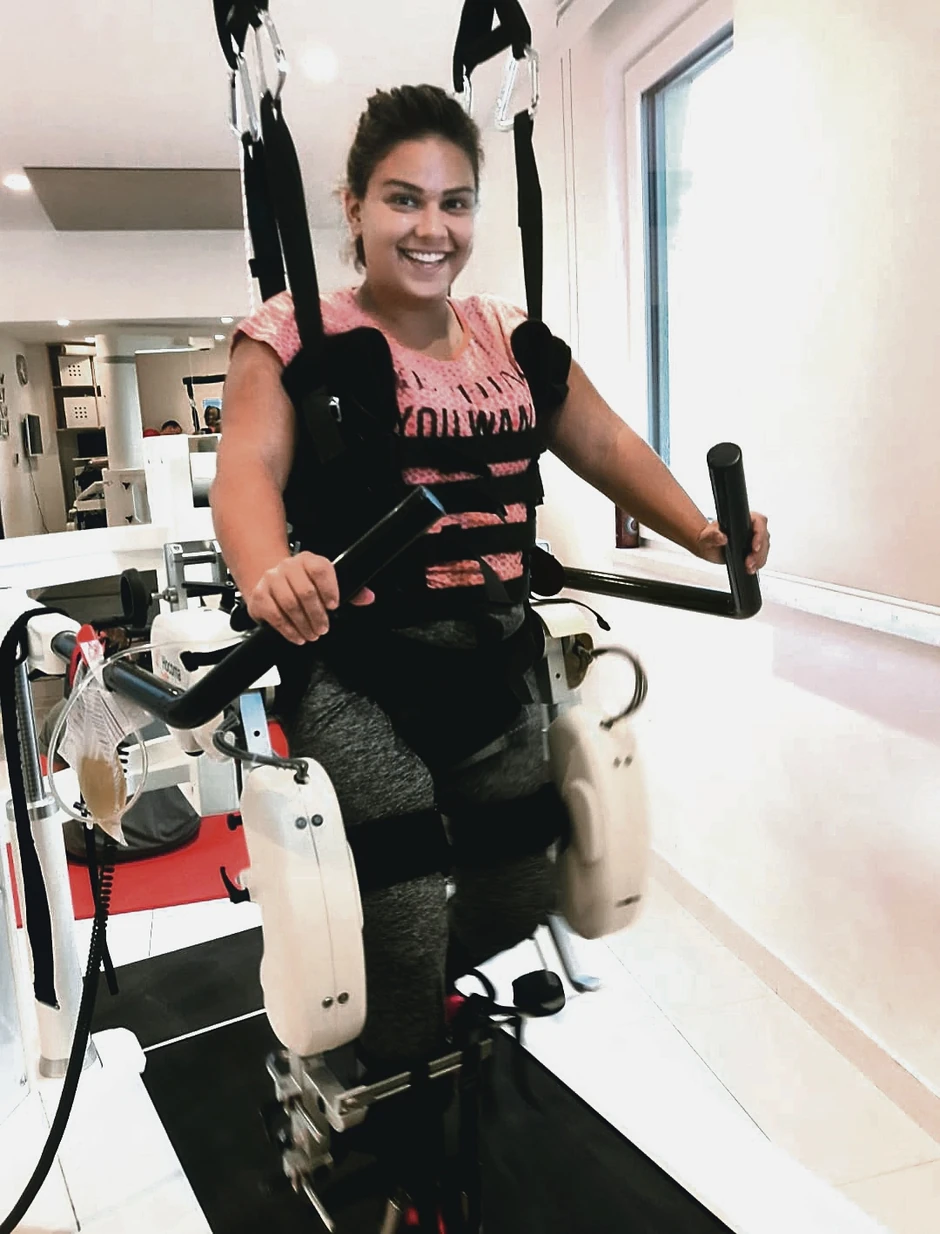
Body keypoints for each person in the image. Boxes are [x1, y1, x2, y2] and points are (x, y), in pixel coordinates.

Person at [212, 84, 769, 1225]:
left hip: (495, 658)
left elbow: (606, 442)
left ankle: (404, 1013)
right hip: (363, 670)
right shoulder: (289, 336)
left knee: (520, 886)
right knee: (408, 905)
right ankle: (397, 1124)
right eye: (402, 199)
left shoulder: (511, 339)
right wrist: (269, 567)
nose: (432, 227)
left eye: (454, 202)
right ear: (353, 206)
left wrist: (704, 536)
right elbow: (247, 474)